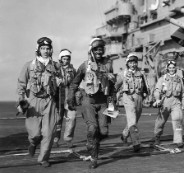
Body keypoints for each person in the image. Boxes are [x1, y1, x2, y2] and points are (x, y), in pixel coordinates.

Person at [67, 37, 115, 169]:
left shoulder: (109, 64)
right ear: (91, 50)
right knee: (93, 128)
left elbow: (111, 88)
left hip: (104, 101)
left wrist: (112, 108)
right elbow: (74, 84)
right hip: (88, 101)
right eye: (96, 49)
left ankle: (93, 143)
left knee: (104, 131)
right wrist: (70, 100)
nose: (99, 51)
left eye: (101, 49)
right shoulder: (84, 66)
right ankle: (94, 157)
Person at [17, 37, 60, 167]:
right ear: (38, 49)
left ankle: (44, 158)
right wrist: (21, 100)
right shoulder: (29, 65)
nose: (45, 51)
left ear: (51, 50)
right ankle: (33, 142)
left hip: (50, 100)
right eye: (43, 48)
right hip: (33, 100)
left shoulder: (56, 66)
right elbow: (21, 84)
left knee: (49, 132)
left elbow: (62, 83)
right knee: (35, 133)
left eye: (47, 48)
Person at [114, 53, 149, 152]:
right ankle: (136, 143)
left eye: (135, 62)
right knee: (132, 120)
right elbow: (116, 86)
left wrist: (146, 94)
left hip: (138, 97)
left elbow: (146, 87)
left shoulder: (141, 73)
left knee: (134, 120)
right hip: (128, 98)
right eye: (131, 63)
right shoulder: (122, 74)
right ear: (127, 63)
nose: (133, 64)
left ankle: (125, 134)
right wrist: (113, 99)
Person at [152, 59, 184, 148]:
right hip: (165, 102)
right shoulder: (162, 79)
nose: (171, 69)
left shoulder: (179, 79)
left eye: (173, 67)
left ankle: (178, 140)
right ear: (167, 68)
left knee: (178, 119)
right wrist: (157, 99)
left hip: (176, 102)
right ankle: (157, 137)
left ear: (176, 68)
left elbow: (183, 93)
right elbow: (157, 90)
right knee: (160, 122)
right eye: (170, 67)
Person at [53, 49, 77, 148]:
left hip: (69, 98)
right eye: (64, 59)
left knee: (72, 118)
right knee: (57, 120)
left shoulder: (73, 70)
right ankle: (55, 139)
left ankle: (68, 139)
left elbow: (76, 82)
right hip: (57, 98)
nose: (65, 61)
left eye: (67, 59)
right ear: (60, 59)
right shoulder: (55, 69)